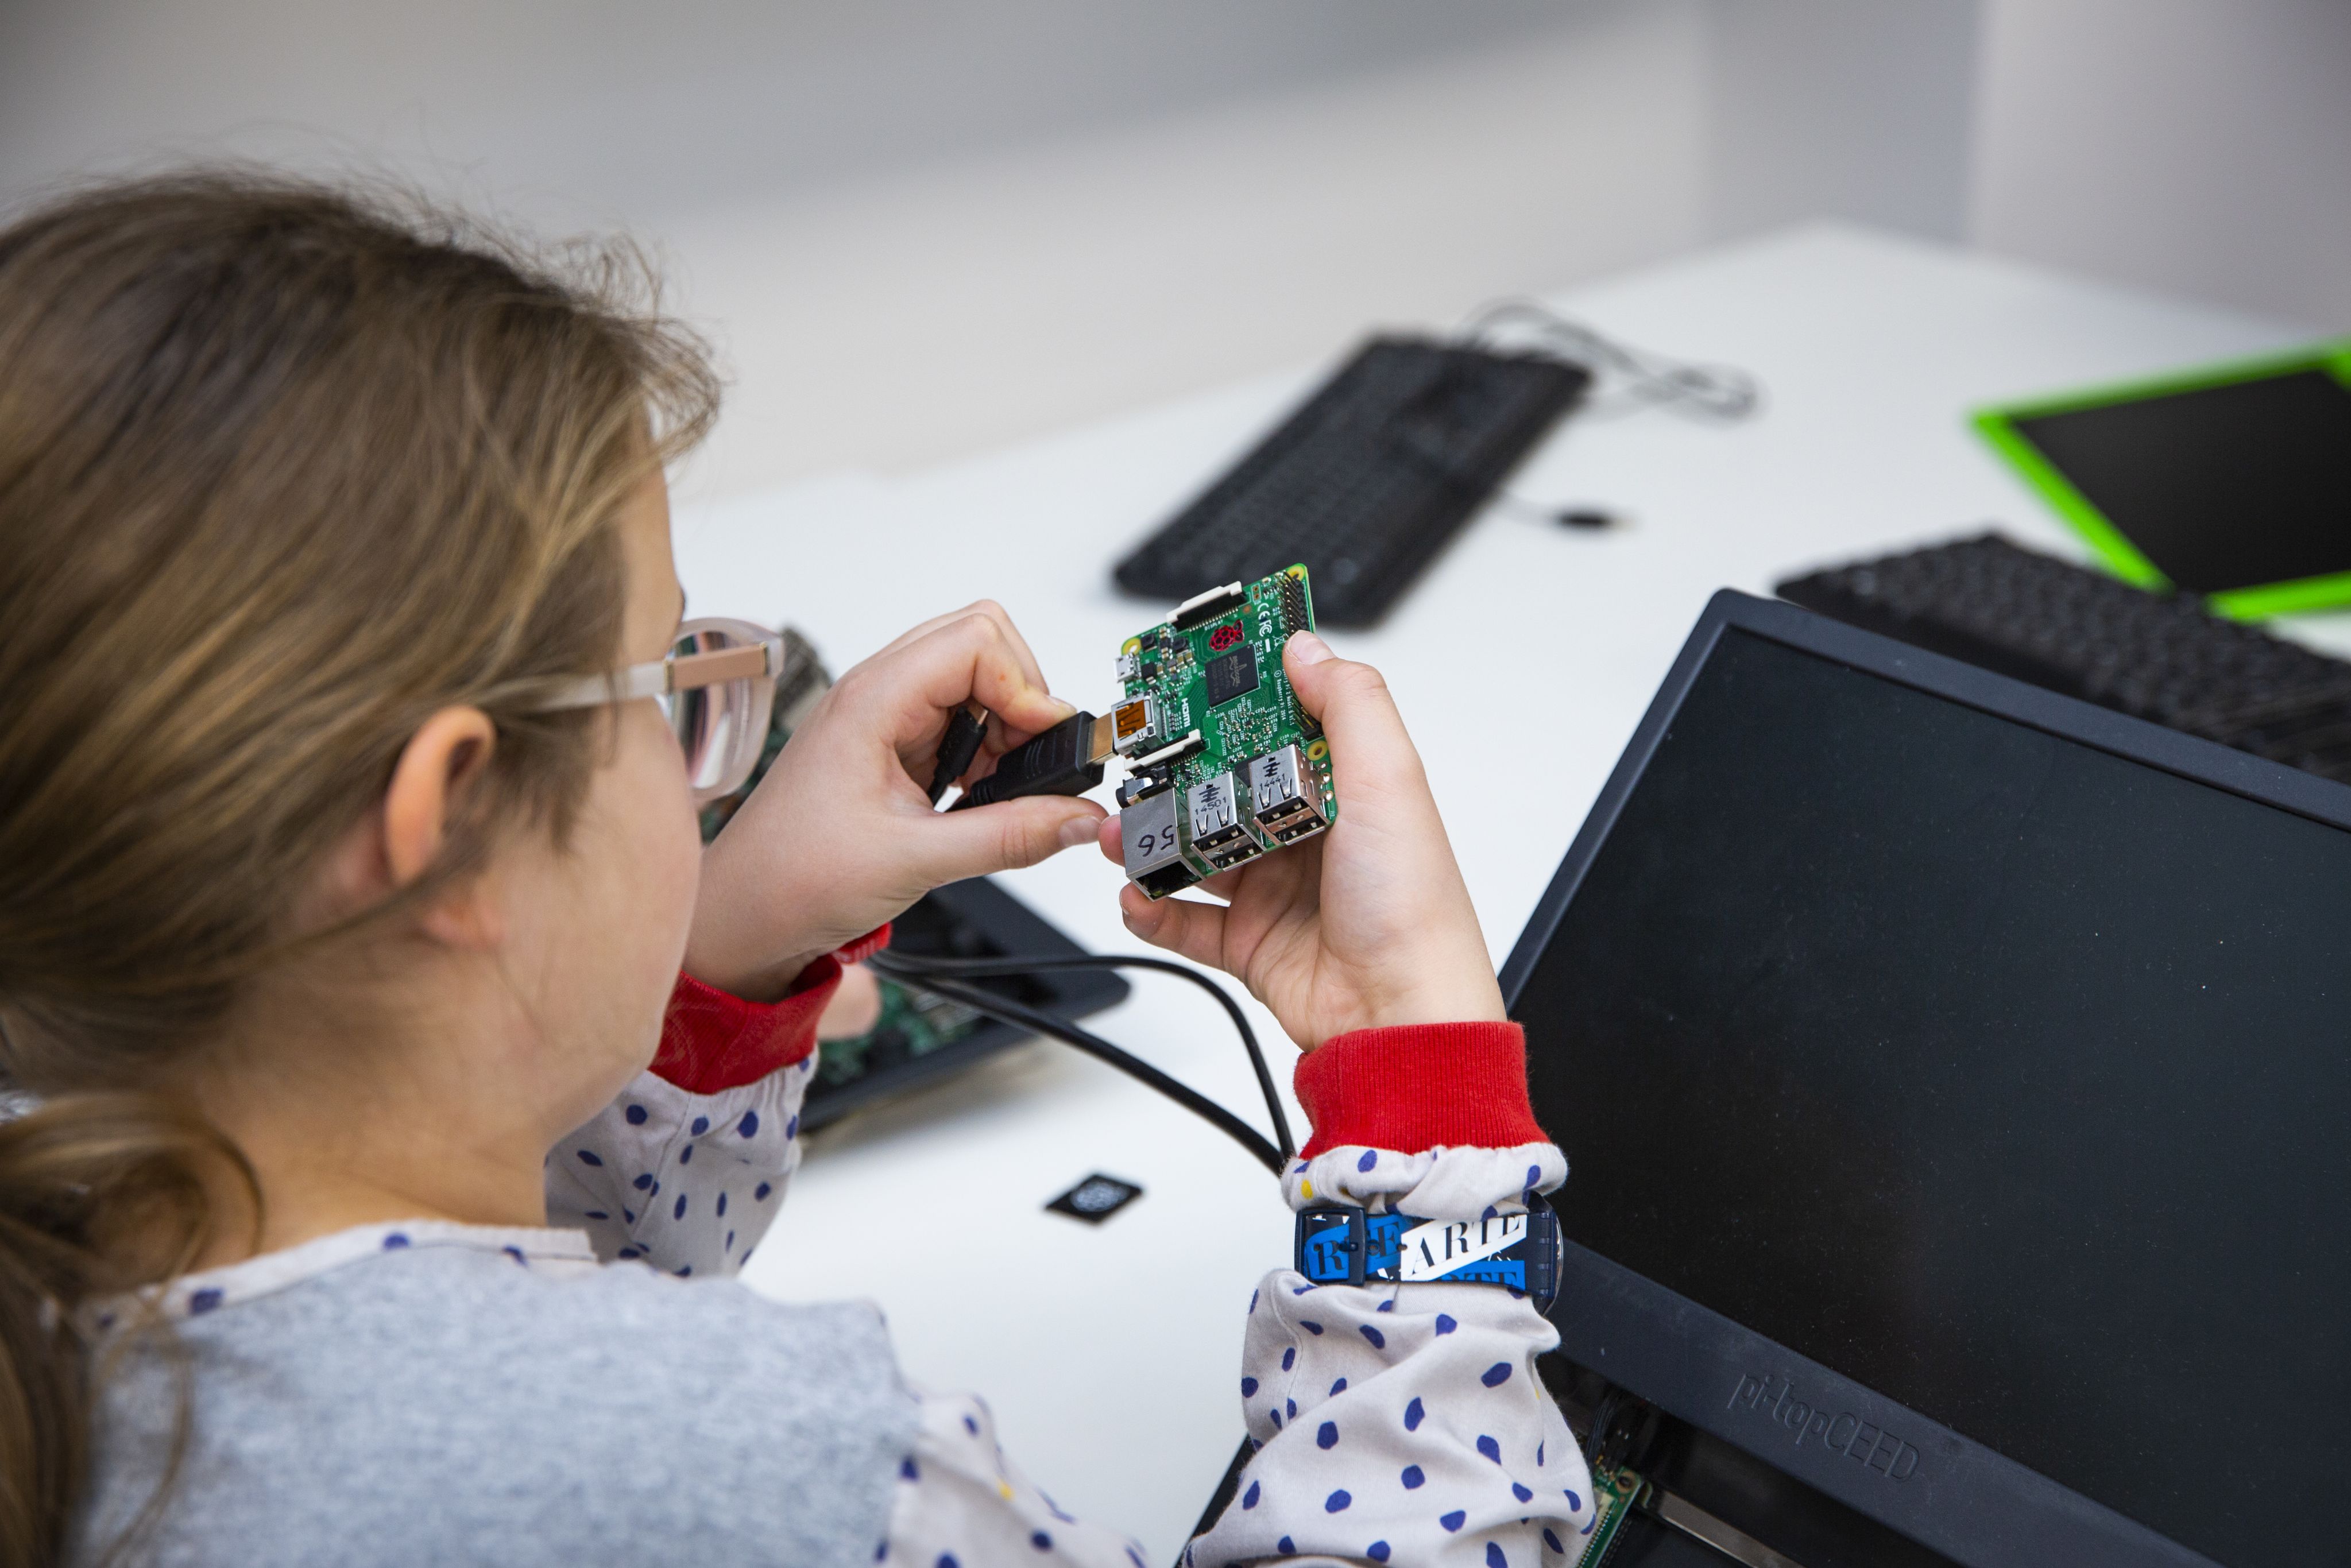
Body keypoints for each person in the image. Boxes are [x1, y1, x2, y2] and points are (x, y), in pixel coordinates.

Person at [0, 173, 1591, 1568]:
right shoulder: (757, 1472)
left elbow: (438, 1340)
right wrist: (1426, 1103)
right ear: (452, 830)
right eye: (661, 683)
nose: (710, 735)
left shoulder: (70, 1242)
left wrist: (721, 956)